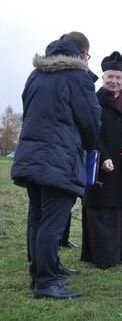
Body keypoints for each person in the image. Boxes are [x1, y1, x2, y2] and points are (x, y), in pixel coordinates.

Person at [11, 31, 101, 299]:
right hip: (60, 157)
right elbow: (91, 121)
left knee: (38, 218)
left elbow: (29, 112)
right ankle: (46, 282)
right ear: (83, 54)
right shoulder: (78, 77)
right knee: (52, 222)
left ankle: (40, 273)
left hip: (31, 154)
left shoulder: (35, 75)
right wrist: (87, 146)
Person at [81, 51, 122, 269]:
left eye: (118, 78)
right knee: (102, 210)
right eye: (110, 77)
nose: (114, 81)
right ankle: (104, 256)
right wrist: (104, 157)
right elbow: (90, 133)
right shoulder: (93, 101)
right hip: (101, 167)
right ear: (103, 78)